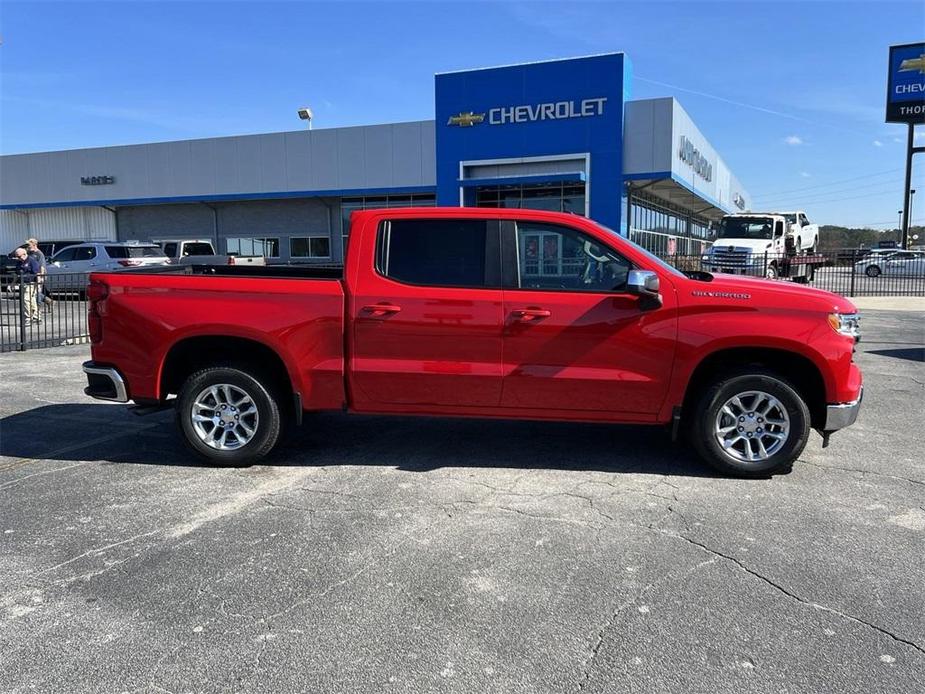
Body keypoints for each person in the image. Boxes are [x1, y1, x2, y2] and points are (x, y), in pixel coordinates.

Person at [13, 248, 41, 322]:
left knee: (26, 300)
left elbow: (37, 273)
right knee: (31, 301)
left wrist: (38, 284)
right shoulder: (19, 262)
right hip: (23, 284)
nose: (18, 258)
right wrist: (12, 283)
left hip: (31, 283)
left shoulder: (32, 261)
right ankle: (37, 317)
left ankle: (28, 317)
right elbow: (16, 273)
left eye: (19, 256)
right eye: (16, 257)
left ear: (24, 254)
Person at [25, 238, 54, 311]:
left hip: (39, 275)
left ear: (34, 245)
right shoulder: (29, 253)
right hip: (31, 275)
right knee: (32, 292)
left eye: (29, 245)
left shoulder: (39, 254)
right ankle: (49, 301)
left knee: (37, 292)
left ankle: (37, 309)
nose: (28, 247)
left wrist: (41, 277)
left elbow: (42, 266)